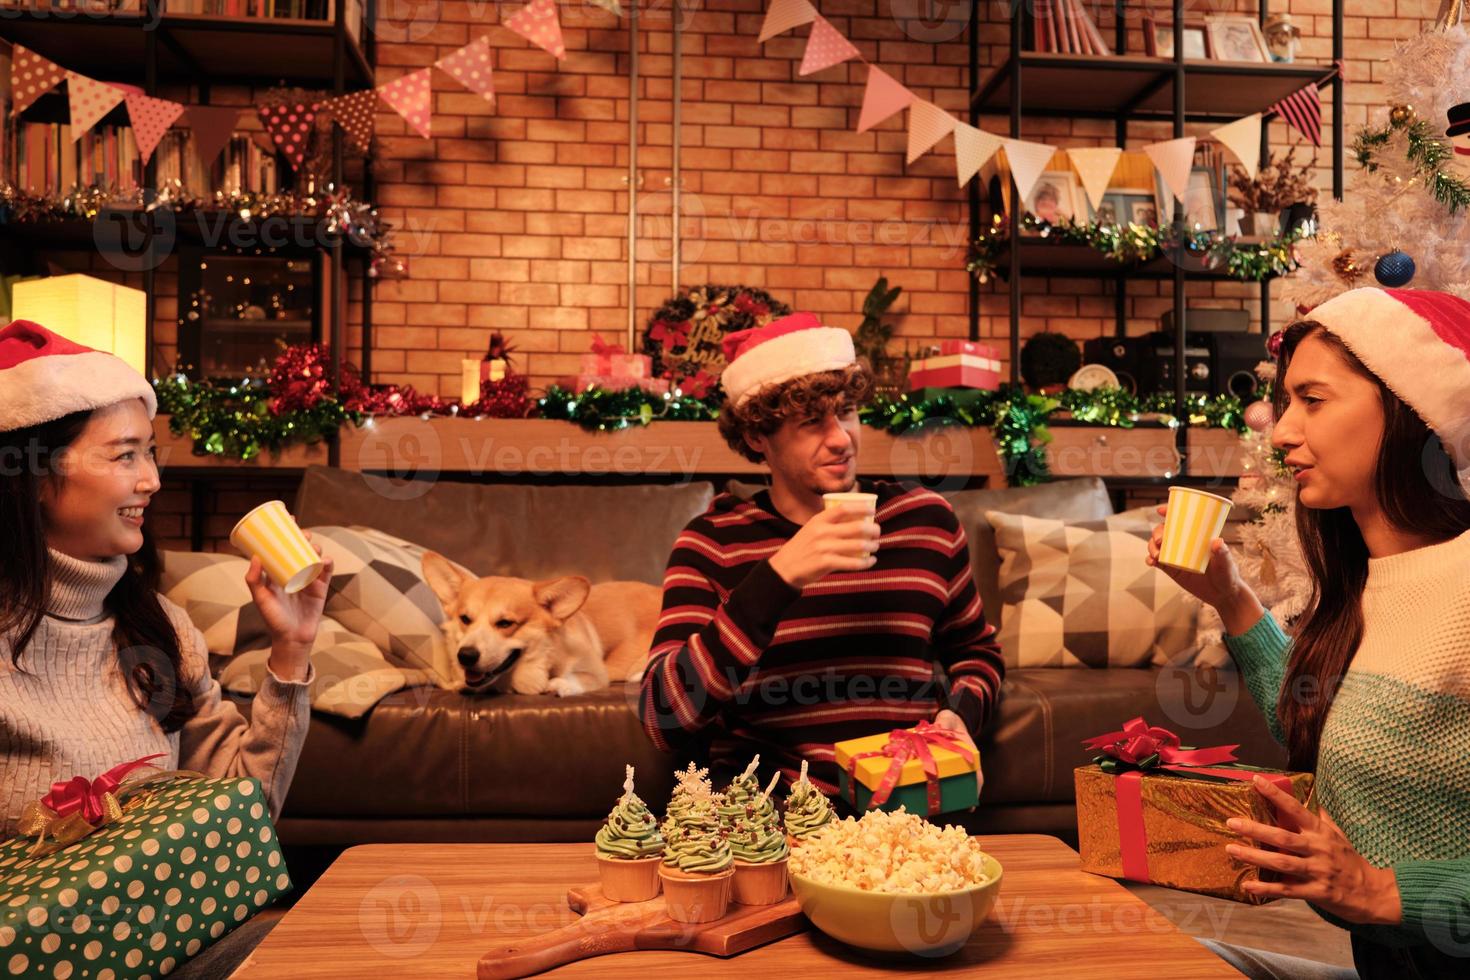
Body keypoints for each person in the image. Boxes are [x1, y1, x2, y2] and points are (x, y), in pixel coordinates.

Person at [1146, 288, 1470, 978]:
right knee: (1146, 957)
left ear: (1410, 409)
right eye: (1285, 403)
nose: (1282, 432)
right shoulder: (1371, 577)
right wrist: (1230, 598)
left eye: (1313, 400)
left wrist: (1379, 889)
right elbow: (1325, 722)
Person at [0, 320, 333, 976]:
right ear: (35, 476)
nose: (151, 480)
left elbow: (240, 822)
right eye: (125, 455)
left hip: (178, 946)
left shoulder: (162, 629)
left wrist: (291, 650)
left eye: (150, 452)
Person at [638, 312, 1003, 798]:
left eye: (847, 413)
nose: (840, 439)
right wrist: (778, 577)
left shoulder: (926, 520)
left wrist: (959, 714)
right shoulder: (712, 541)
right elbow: (662, 717)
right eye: (811, 423)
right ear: (756, 437)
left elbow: (977, 653)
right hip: (770, 813)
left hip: (905, 803)